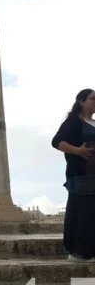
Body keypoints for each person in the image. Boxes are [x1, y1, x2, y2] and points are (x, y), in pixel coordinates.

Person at [51, 88, 95, 262]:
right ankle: (78, 252)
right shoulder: (72, 122)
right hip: (81, 175)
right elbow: (57, 142)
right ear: (82, 101)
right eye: (93, 98)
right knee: (81, 213)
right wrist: (78, 151)